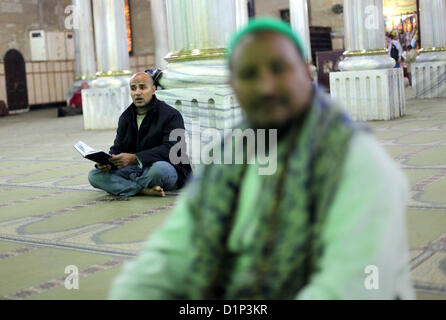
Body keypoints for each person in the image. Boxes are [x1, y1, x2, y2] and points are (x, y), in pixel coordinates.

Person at [109, 18, 414, 299]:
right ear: (234, 87)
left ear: (306, 74)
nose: (266, 86)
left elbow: (348, 285)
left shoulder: (357, 161)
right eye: (249, 74)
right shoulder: (230, 155)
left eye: (279, 68)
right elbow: (176, 246)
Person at [88, 71, 192, 197]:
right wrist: (107, 163)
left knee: (159, 170)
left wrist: (135, 158)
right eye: (133, 88)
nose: (137, 92)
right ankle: (143, 189)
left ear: (153, 89)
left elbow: (173, 150)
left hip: (167, 168)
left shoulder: (171, 115)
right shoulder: (126, 117)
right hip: (135, 170)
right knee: (94, 175)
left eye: (142, 87)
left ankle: (128, 186)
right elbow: (117, 148)